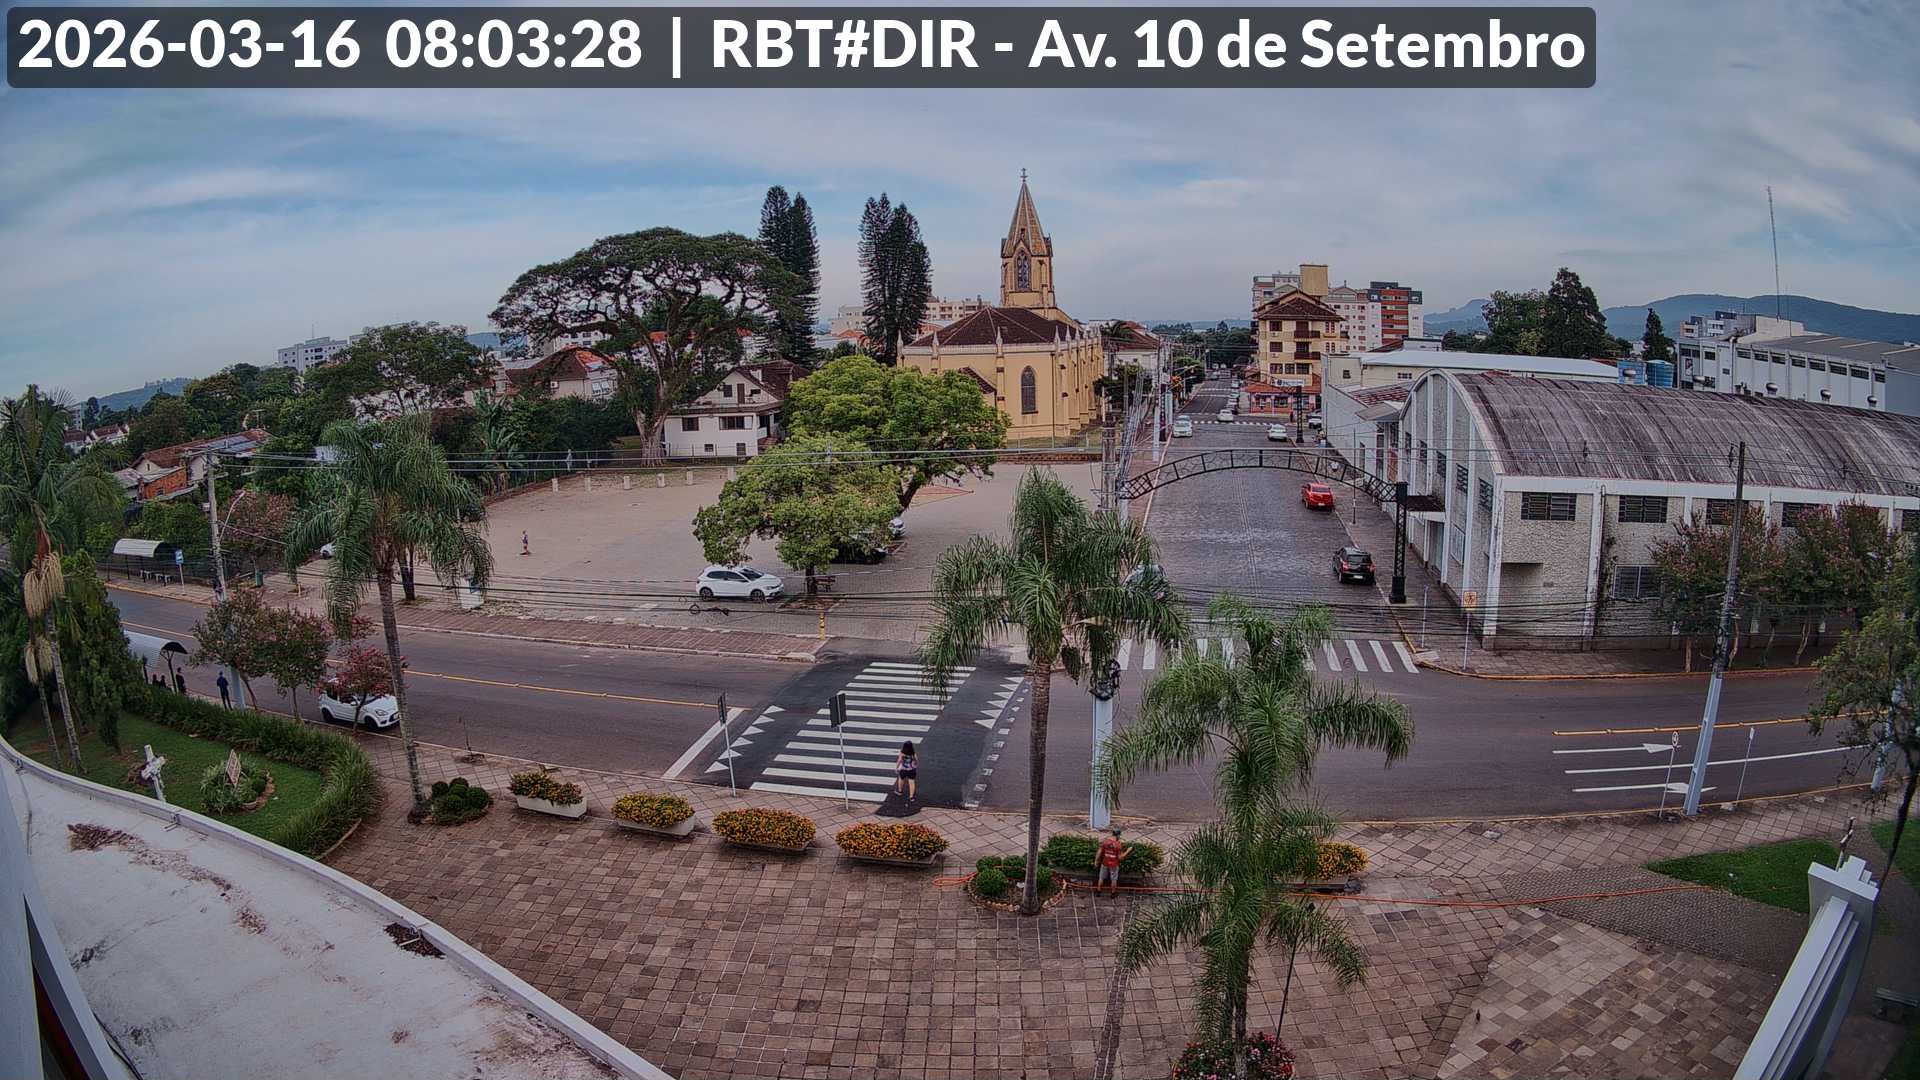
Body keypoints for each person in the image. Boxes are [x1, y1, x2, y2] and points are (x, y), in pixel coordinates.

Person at [1095, 827, 1133, 895]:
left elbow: (1099, 852)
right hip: (1114, 865)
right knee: (1114, 879)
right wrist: (1128, 851)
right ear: (1118, 835)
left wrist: (1096, 861)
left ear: (1112, 833)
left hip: (1104, 863)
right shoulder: (1118, 844)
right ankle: (1113, 893)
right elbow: (1120, 858)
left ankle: (1098, 891)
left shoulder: (1105, 841)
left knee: (1101, 878)